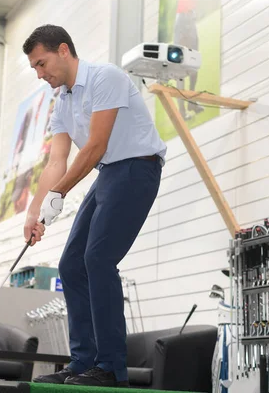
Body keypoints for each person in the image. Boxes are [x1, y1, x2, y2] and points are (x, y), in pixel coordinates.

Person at [22, 24, 167, 387]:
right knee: (71, 264)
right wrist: (34, 211)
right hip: (108, 174)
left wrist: (61, 193)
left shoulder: (107, 77)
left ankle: (111, 367)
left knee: (98, 259)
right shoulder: (63, 103)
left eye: (42, 64)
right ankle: (82, 361)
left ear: (64, 51)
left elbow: (95, 146)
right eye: (35, 69)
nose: (41, 74)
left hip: (137, 168)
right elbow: (56, 162)